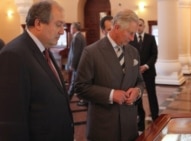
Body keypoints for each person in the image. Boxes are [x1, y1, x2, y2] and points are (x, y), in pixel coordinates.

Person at [0, 1, 74, 141]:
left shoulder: (44, 50)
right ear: (39, 24)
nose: (62, 31)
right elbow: (11, 122)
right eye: (58, 24)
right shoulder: (14, 55)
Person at [74, 9, 145, 141]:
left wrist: (137, 91)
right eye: (130, 33)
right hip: (104, 128)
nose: (132, 38)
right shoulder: (91, 52)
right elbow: (80, 87)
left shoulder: (133, 52)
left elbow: (140, 82)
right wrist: (111, 95)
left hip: (129, 126)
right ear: (117, 27)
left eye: (134, 34)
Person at [129, 18, 159, 131]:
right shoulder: (131, 39)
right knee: (138, 96)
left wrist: (146, 66)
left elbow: (154, 55)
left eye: (141, 25)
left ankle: (155, 117)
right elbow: (130, 55)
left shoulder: (150, 38)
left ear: (144, 26)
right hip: (136, 73)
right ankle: (140, 119)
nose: (139, 27)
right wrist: (137, 68)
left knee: (152, 94)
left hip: (149, 71)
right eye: (137, 25)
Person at [66, 22, 86, 103]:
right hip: (80, 63)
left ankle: (67, 98)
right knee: (77, 82)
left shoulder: (77, 37)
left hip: (77, 64)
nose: (70, 30)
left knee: (74, 82)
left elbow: (76, 53)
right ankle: (83, 99)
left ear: (74, 29)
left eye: (71, 28)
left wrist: (73, 65)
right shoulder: (81, 36)